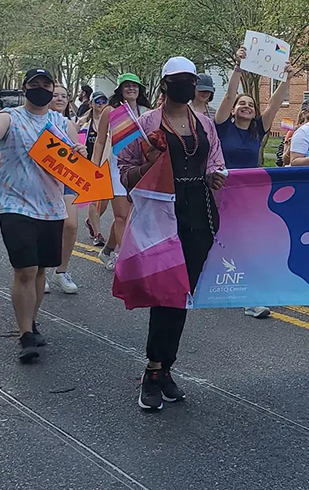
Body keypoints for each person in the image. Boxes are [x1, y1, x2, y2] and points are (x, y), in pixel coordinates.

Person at [0, 69, 86, 361]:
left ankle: (32, 320)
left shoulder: (62, 123)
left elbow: (77, 162)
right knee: (25, 269)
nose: (40, 89)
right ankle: (25, 334)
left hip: (51, 207)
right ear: (24, 89)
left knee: (39, 270)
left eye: (45, 85)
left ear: (53, 89)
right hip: (14, 204)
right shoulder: (9, 117)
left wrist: (80, 152)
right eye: (34, 85)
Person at [119, 56, 226, 410]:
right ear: (165, 85)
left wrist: (216, 176)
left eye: (191, 81)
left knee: (182, 295)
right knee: (166, 294)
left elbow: (215, 164)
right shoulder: (144, 123)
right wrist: (150, 160)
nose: (186, 87)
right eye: (179, 80)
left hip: (200, 215)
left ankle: (166, 369)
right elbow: (125, 172)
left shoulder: (205, 124)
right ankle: (153, 371)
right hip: (162, 216)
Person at [214, 47, 289, 318]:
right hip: (219, 192)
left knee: (247, 242)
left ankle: (249, 298)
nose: (246, 106)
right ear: (233, 110)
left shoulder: (258, 129)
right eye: (241, 104)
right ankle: (203, 285)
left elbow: (275, 105)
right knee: (217, 240)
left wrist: (287, 78)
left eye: (251, 105)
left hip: (248, 196)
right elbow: (230, 94)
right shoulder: (222, 125)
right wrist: (237, 68)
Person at [91, 73, 152, 270]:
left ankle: (107, 250)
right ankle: (125, 259)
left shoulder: (147, 112)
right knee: (121, 216)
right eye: (126, 86)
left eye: (134, 86)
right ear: (120, 89)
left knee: (131, 216)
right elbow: (100, 141)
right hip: (116, 168)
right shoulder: (111, 111)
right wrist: (95, 167)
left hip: (140, 169)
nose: (131, 89)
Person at [47, 85, 79, 294]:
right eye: (55, 95)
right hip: (43, 180)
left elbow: (78, 156)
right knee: (47, 227)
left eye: (64, 96)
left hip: (66, 178)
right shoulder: (38, 120)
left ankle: (62, 271)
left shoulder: (69, 124)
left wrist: (80, 151)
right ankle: (40, 270)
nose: (60, 99)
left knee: (71, 225)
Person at [80, 91, 109, 246]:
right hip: (89, 166)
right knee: (93, 201)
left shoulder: (112, 121)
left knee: (104, 203)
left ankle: (90, 221)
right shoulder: (84, 123)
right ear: (91, 103)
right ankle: (98, 234)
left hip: (107, 166)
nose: (100, 104)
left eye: (104, 101)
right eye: (97, 101)